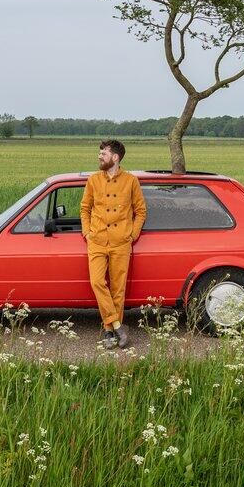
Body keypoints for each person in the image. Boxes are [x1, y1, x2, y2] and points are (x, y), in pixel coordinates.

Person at [80, 139, 146, 349]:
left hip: (121, 242)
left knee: (118, 288)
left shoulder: (131, 181)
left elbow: (141, 211)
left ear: (115, 157)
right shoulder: (93, 180)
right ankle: (117, 325)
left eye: (103, 153)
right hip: (97, 240)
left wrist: (132, 234)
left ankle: (108, 332)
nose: (99, 156)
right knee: (97, 282)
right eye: (100, 153)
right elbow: (85, 208)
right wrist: (87, 232)